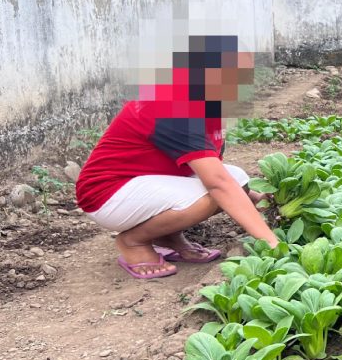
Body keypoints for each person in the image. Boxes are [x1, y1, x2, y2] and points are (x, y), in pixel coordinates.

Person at [76, 35, 279, 279]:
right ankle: (133, 242)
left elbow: (210, 168)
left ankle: (166, 235)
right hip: (108, 194)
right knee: (216, 194)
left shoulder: (207, 102)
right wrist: (273, 243)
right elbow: (217, 184)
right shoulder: (172, 105)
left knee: (238, 179)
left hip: (145, 184)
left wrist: (257, 197)